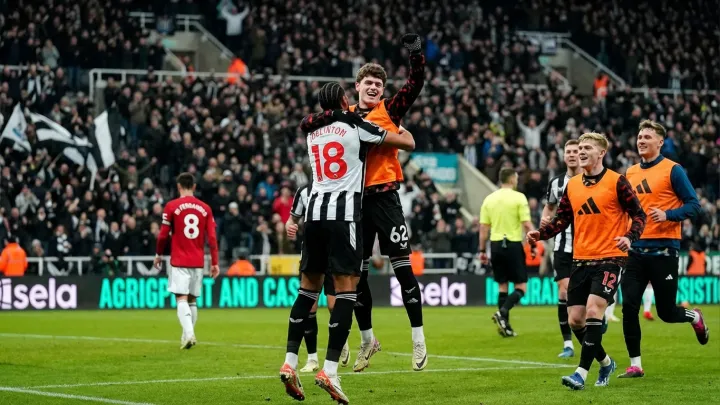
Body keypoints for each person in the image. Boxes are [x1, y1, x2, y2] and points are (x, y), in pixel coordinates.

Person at [279, 82, 415, 404]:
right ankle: (330, 370)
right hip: (344, 217)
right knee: (346, 292)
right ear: (344, 100)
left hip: (314, 215)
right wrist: (398, 131)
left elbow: (308, 122)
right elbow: (403, 142)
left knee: (307, 291)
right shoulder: (356, 126)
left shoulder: (313, 131)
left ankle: (289, 362)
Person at [299, 33, 427, 372]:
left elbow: (415, 83)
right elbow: (309, 122)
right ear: (356, 86)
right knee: (357, 277)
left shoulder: (389, 110)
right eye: (368, 82)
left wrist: (415, 53)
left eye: (378, 84)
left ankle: (418, 338)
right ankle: (368, 339)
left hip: (385, 198)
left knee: (402, 268)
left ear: (383, 91)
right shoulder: (344, 116)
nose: (373, 87)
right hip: (354, 204)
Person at [527, 132, 647, 390]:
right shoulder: (572, 186)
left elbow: (639, 215)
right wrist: (541, 234)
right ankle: (606, 363)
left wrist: (630, 237)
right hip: (580, 259)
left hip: (611, 258)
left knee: (594, 311)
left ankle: (580, 373)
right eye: (580, 148)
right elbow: (562, 219)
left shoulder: (617, 181)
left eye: (587, 148)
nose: (581, 152)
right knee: (575, 320)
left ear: (601, 153)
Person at [619, 120, 709, 378]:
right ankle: (636, 365)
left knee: (667, 313)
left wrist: (668, 214)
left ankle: (694, 317)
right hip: (635, 251)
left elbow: (694, 205)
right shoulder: (630, 172)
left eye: (647, 137)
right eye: (639, 137)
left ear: (660, 142)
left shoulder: (673, 170)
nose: (641, 140)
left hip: (664, 251)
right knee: (629, 307)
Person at [285, 182, 351, 373]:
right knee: (310, 306)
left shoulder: (340, 188)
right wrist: (290, 227)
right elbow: (291, 220)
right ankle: (312, 358)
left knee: (333, 305)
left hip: (334, 256)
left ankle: (341, 341)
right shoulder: (304, 191)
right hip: (312, 254)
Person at [153, 173, 220, 349]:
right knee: (192, 300)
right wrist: (215, 262)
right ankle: (186, 335)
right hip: (198, 261)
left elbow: (163, 235)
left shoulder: (171, 206)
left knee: (181, 298)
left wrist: (158, 254)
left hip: (179, 260)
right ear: (194, 187)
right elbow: (212, 238)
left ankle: (189, 334)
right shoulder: (205, 208)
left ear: (178, 187)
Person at [479, 167, 535, 337]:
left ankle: (506, 327)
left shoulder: (489, 199)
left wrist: (482, 250)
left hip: (495, 245)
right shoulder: (519, 198)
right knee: (521, 287)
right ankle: (502, 312)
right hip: (513, 244)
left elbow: (483, 228)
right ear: (511, 179)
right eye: (516, 178)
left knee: (502, 286)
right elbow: (527, 224)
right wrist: (533, 245)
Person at [541, 139, 580, 356]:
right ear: (564, 156)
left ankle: (595, 318)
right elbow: (549, 208)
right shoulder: (556, 183)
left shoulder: (591, 181)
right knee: (564, 292)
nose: (572, 154)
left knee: (584, 293)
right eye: (569, 152)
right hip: (562, 245)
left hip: (586, 246)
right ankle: (568, 344)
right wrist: (544, 221)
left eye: (575, 151)